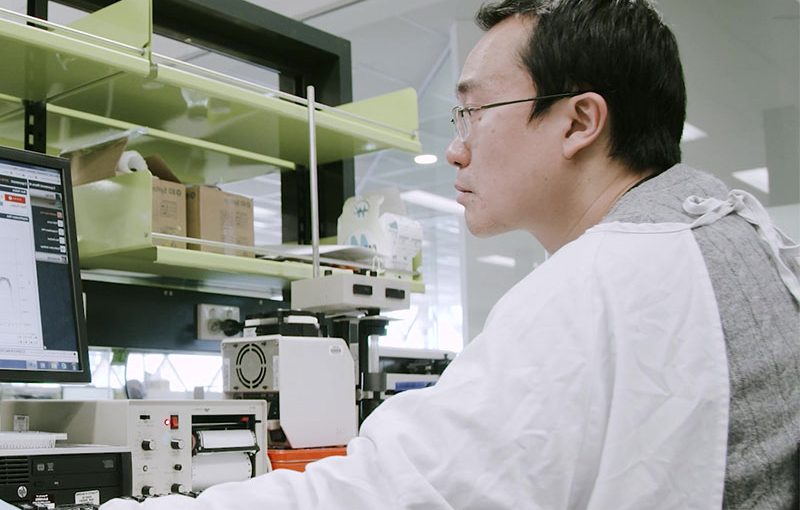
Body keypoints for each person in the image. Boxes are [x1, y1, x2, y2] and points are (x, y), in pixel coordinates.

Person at [102, 0, 799, 508]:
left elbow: (393, 495)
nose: (455, 149)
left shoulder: (608, 281)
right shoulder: (742, 243)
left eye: (473, 112)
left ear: (579, 121)